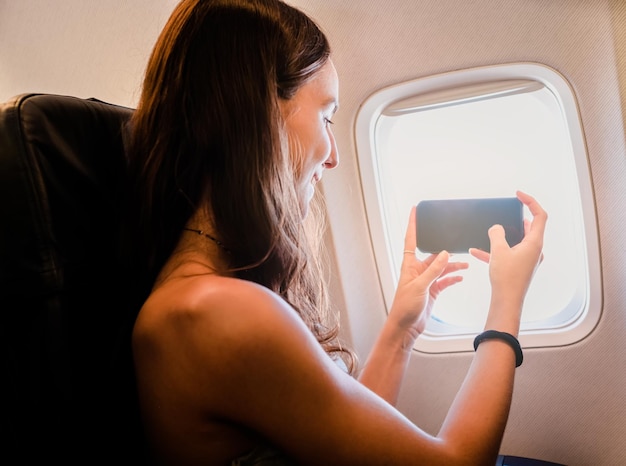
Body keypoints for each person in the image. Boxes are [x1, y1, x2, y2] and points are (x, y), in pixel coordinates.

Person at [124, 0, 548, 464]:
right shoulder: (217, 313)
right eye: (326, 116)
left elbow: (344, 445)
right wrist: (507, 302)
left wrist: (400, 330)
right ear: (259, 113)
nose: (333, 157)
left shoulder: (213, 296)